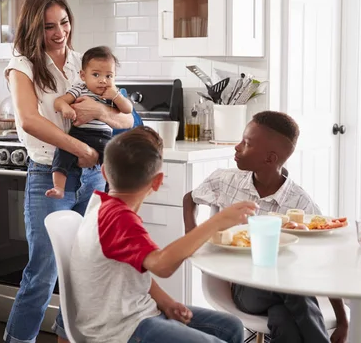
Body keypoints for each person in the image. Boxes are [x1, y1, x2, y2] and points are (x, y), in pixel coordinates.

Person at [3, 0, 133, 343]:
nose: (59, 32)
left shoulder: (84, 62)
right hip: (50, 174)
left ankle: (68, 337)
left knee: (82, 270)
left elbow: (129, 120)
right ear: (33, 28)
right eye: (48, 26)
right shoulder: (22, 66)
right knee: (43, 273)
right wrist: (80, 147)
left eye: (63, 22)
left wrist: (103, 111)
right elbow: (29, 120)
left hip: (92, 179)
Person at [69, 126, 257, 343]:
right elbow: (162, 265)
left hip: (136, 313)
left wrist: (166, 302)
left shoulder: (103, 205)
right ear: (157, 182)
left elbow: (135, 272)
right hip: (121, 330)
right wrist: (217, 221)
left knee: (230, 326)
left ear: (104, 172)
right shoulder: (120, 220)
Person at [183, 111, 349, 343]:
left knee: (283, 317)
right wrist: (192, 236)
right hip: (244, 286)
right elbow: (190, 198)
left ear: (270, 159)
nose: (237, 147)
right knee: (294, 291)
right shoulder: (225, 180)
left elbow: (325, 258)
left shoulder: (300, 203)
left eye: (247, 143)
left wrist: (342, 321)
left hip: (286, 286)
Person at [45, 45, 133, 199]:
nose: (103, 81)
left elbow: (128, 110)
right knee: (62, 153)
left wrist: (116, 96)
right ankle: (59, 187)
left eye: (109, 76)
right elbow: (59, 101)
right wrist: (65, 108)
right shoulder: (80, 88)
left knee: (113, 161)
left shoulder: (112, 93)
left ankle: (112, 193)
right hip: (80, 135)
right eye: (96, 75)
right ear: (83, 75)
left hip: (104, 138)